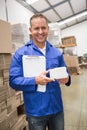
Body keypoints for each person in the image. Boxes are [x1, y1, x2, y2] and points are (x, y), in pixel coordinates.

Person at [9, 14, 71, 130]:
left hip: (56, 109)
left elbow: (66, 72)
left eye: (43, 28)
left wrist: (67, 78)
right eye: (36, 28)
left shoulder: (56, 53)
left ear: (48, 29)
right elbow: (13, 81)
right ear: (30, 30)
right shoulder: (21, 54)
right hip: (35, 111)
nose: (41, 32)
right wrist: (35, 80)